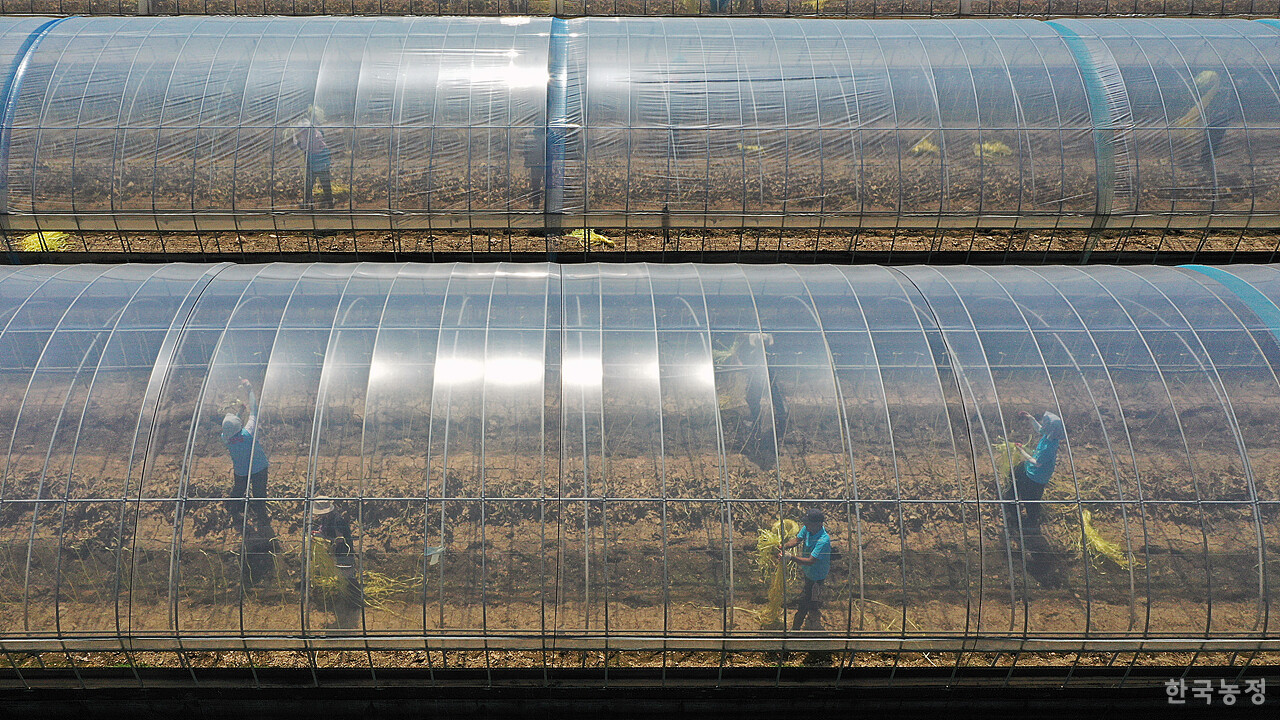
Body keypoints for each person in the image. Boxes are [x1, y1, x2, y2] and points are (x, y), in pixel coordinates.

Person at [1002, 410, 1066, 586]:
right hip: (1032, 473)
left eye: (1045, 423)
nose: (1043, 425)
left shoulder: (1048, 447)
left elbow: (1036, 462)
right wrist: (1030, 417)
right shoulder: (1050, 435)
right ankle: (1013, 508)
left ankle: (1031, 521)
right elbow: (1040, 430)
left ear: (1052, 429)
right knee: (1016, 477)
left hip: (1036, 477)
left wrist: (1021, 450)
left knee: (1031, 499)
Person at [311, 496, 364, 631]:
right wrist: (318, 533)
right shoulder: (326, 518)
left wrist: (324, 539)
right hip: (336, 553)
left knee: (348, 577)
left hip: (343, 553)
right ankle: (348, 599)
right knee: (343, 577)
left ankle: (356, 602)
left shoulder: (337, 520)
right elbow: (325, 531)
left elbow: (339, 539)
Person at [222, 378, 270, 522]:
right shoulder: (248, 432)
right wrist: (249, 390)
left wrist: (239, 412)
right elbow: (254, 410)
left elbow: (231, 429)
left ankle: (233, 512)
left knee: (238, 490)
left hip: (241, 471)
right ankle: (261, 518)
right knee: (259, 493)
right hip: (259, 468)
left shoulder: (225, 438)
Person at [779, 509, 831, 631]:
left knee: (805, 600)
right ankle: (814, 608)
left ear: (819, 524)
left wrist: (790, 557)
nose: (806, 525)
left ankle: (795, 628)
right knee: (811, 592)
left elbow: (811, 560)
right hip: (808, 571)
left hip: (817, 574)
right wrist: (783, 546)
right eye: (806, 523)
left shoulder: (823, 540)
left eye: (809, 523)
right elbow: (797, 540)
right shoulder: (808, 528)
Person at [293, 106, 333, 210]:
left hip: (313, 160)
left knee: (309, 183)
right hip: (323, 159)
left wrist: (297, 141)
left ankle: (308, 203)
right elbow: (324, 147)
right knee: (325, 183)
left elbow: (302, 147)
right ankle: (329, 203)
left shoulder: (306, 137)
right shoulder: (316, 133)